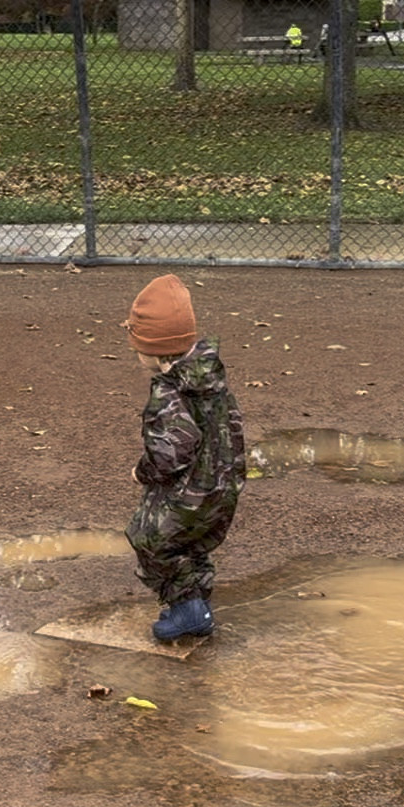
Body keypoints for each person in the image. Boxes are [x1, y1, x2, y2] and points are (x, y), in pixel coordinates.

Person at [122, 274, 246, 643]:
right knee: (190, 542)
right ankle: (196, 603)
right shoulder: (208, 376)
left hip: (190, 489)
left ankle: (188, 610)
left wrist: (142, 472)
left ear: (154, 351)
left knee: (150, 538)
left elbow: (171, 451)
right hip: (222, 482)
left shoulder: (169, 392)